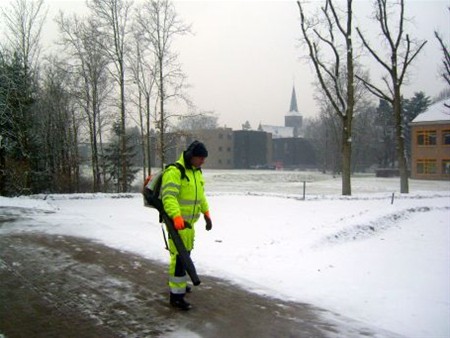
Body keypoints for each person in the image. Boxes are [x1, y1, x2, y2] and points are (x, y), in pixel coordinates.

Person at [161, 140, 213, 310]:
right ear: (192, 156)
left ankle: (181, 284)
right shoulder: (175, 171)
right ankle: (176, 296)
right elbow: (169, 197)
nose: (203, 161)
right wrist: (176, 217)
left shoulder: (196, 172)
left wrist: (206, 213)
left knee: (186, 255)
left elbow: (201, 196)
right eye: (201, 158)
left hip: (190, 225)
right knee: (179, 260)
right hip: (178, 225)